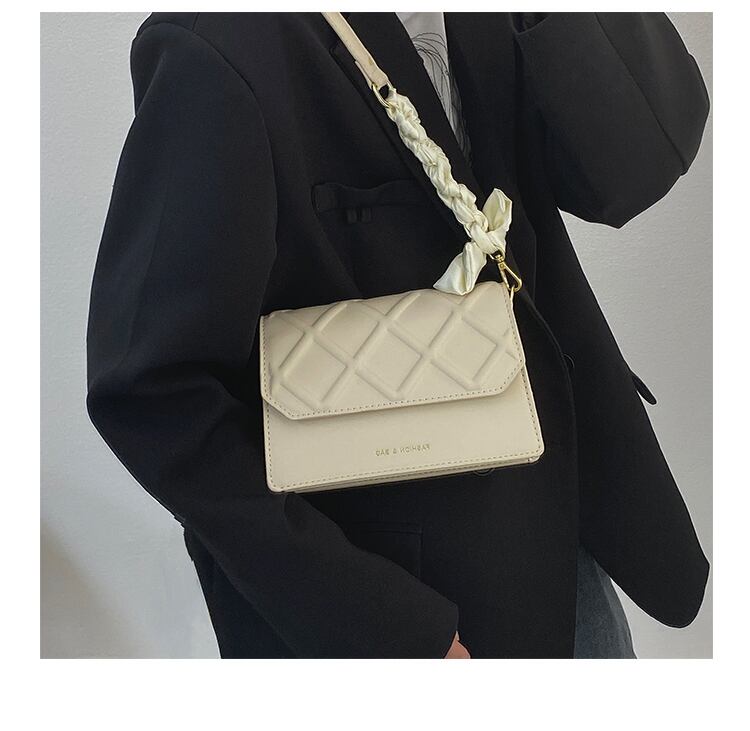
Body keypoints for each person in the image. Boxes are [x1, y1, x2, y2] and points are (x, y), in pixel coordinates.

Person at [86, 12, 710, 659]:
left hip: (570, 525)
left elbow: (635, 167)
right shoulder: (220, 43)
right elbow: (153, 393)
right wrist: (385, 630)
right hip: (410, 598)